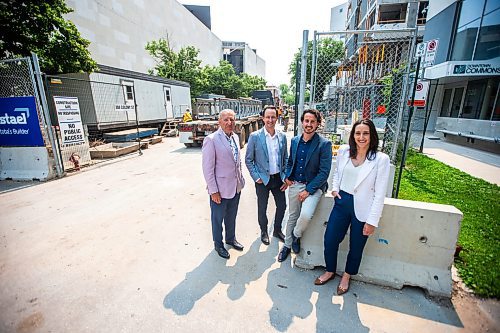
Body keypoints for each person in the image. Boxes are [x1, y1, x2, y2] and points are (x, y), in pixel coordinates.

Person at [314, 119, 390, 295]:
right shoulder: (344, 151)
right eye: (357, 133)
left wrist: (372, 221)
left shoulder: (380, 159)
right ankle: (330, 270)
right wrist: (334, 189)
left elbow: (379, 194)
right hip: (342, 202)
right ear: (352, 135)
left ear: (372, 136)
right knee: (330, 239)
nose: (361, 137)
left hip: (363, 207)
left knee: (356, 246)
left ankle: (347, 276)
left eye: (365, 133)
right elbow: (338, 173)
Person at [277, 109, 332, 262]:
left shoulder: (324, 144)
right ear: (302, 122)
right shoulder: (295, 141)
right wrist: (287, 177)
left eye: (312, 121)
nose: (309, 124)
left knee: (306, 216)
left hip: (314, 187)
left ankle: (295, 235)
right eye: (306, 121)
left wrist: (308, 190)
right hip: (295, 184)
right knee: (292, 216)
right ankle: (287, 246)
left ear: (317, 124)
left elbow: (324, 172)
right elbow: (290, 162)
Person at [202, 109, 245, 259]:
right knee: (217, 219)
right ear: (219, 122)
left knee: (231, 216)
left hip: (235, 187)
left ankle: (230, 239)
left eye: (232, 120)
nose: (229, 123)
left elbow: (236, 162)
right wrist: (213, 190)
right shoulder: (212, 140)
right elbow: (208, 169)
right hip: (219, 190)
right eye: (226, 120)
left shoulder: (235, 137)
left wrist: (240, 180)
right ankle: (218, 244)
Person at [245, 106, 288, 245]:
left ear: (277, 118)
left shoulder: (282, 136)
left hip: (278, 178)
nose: (270, 120)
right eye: (267, 117)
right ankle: (264, 231)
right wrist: (256, 177)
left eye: (273, 117)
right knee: (262, 207)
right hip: (262, 179)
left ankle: (277, 230)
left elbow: (285, 158)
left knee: (282, 206)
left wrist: (285, 176)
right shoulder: (255, 137)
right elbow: (248, 159)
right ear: (263, 118)